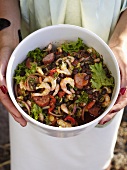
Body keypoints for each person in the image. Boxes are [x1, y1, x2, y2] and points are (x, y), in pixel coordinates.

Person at [0, 0, 127, 170]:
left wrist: (122, 43)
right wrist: (7, 40)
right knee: (33, 153)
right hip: (30, 33)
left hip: (110, 49)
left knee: (92, 152)